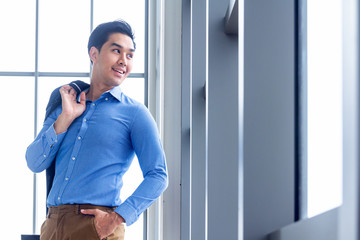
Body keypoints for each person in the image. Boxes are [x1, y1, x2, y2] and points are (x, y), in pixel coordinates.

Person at [26, 20, 168, 240]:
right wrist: (65, 118)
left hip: (97, 228)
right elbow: (35, 162)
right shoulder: (65, 104)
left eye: (130, 55)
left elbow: (158, 175)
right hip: (53, 225)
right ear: (94, 53)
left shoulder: (135, 114)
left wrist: (117, 217)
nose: (123, 61)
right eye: (116, 50)